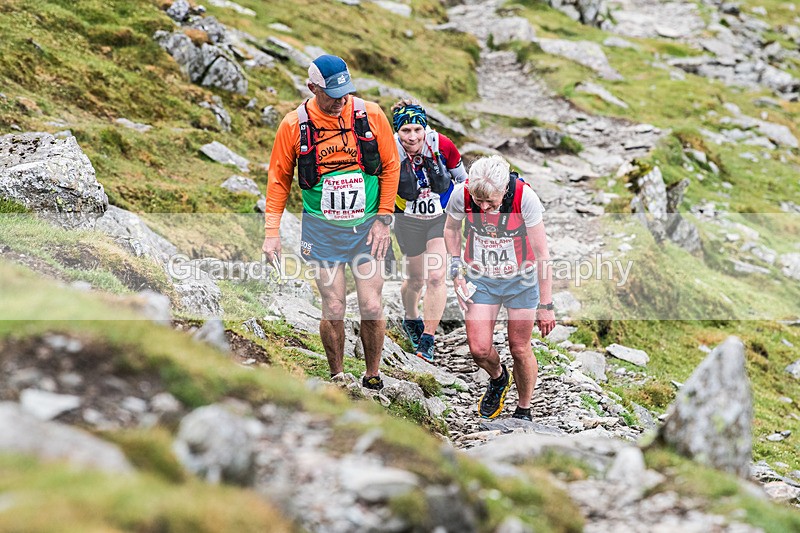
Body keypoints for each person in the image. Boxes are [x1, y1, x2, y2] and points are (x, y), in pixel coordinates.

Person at [262, 55, 400, 390]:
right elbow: (279, 179)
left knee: (370, 303)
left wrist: (384, 218)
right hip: (322, 230)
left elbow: (391, 165)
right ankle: (338, 376)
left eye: (345, 92)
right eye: (332, 94)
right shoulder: (294, 125)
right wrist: (271, 233)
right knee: (334, 305)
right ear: (312, 88)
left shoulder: (370, 115)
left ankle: (372, 375)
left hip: (368, 227)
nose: (340, 100)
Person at [443, 155, 555, 421]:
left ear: (504, 190)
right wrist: (456, 270)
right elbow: (450, 230)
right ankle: (498, 378)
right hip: (482, 278)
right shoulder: (462, 194)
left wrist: (546, 305)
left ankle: (524, 408)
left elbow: (543, 255)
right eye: (478, 201)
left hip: (522, 280)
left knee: (519, 347)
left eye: (490, 202)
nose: (483, 207)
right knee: (479, 348)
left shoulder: (525, 199)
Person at [391, 99, 468, 363]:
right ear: (397, 131)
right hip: (407, 219)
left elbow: (463, 180)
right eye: (405, 131)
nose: (412, 137)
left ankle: (428, 338)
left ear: (425, 129)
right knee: (415, 280)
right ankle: (411, 317)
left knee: (436, 276)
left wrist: (456, 210)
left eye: (417, 130)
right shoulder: (389, 149)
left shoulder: (442, 145)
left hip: (439, 218)